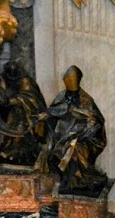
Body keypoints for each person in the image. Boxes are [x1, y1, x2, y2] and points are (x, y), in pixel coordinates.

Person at [42, 65, 108, 193]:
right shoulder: (62, 95)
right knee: (58, 148)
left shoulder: (86, 100)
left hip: (82, 139)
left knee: (74, 149)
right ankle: (68, 179)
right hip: (62, 134)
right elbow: (56, 109)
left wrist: (80, 133)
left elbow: (96, 121)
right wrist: (48, 115)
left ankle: (78, 179)